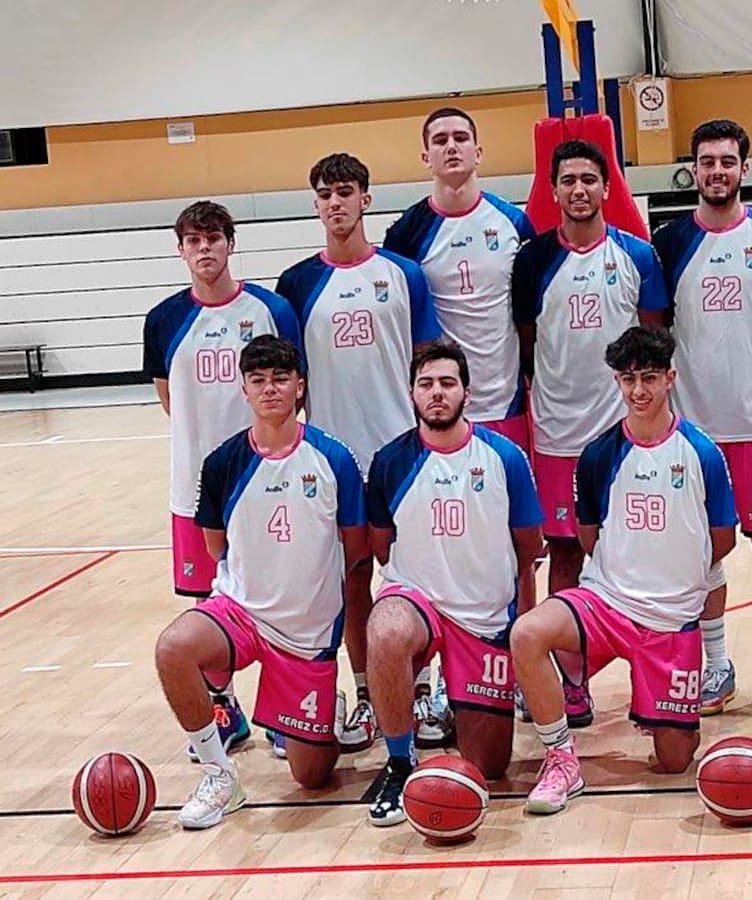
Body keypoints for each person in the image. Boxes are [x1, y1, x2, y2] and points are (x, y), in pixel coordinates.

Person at [510, 326, 737, 815]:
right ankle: (561, 757)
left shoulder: (702, 454)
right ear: (616, 381)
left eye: (649, 378)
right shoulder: (598, 455)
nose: (638, 390)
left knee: (675, 761)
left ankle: (651, 698)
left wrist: (672, 579)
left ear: (670, 378)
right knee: (527, 633)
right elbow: (588, 537)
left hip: (670, 622)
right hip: (606, 604)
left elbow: (723, 541)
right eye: (628, 379)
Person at [154, 335, 367, 829]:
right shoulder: (222, 463)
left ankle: (326, 710)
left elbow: (355, 549)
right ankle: (219, 774)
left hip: (306, 636)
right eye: (258, 380)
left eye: (280, 379)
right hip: (242, 614)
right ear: (244, 390)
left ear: (300, 387)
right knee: (173, 649)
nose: (270, 389)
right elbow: (216, 548)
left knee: (311, 777)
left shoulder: (334, 458)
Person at [275, 153, 441, 756]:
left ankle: (421, 690)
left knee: (416, 577)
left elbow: (427, 361)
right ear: (315, 204)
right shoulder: (296, 284)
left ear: (366, 199)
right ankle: (369, 693)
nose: (335, 203)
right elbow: (290, 377)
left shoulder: (404, 274)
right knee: (350, 582)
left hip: (402, 456)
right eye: (324, 194)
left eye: (345, 191)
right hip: (334, 462)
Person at [383, 108, 539, 737]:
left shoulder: (512, 223)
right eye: (439, 140)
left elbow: (529, 314)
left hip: (506, 410)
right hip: (443, 416)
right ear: (425, 156)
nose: (451, 148)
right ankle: (428, 684)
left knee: (516, 551)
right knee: (437, 548)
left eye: (461, 138)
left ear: (479, 150)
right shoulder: (407, 233)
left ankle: (522, 664)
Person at [512, 139, 669, 724]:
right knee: (566, 552)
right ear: (554, 190)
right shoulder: (533, 260)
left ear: (607, 188)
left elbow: (651, 338)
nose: (578, 190)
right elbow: (527, 338)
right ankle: (571, 681)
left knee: (638, 547)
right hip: (558, 432)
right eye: (568, 180)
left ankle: (651, 673)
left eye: (589, 179)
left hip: (624, 434)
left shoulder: (637, 255)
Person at [143, 200, 302, 762]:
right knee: (207, 599)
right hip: (193, 485)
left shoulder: (272, 309)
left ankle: (285, 709)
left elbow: (293, 387)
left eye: (213, 238)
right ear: (180, 250)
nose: (204, 248)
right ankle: (225, 709)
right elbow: (171, 400)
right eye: (193, 240)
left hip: (267, 480)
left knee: (281, 591)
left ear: (230, 244)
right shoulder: (163, 319)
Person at [362, 339, 543, 826]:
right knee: (386, 629)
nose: (436, 393)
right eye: (426, 384)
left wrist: (520, 636)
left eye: (447, 382)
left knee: (490, 766)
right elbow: (381, 548)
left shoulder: (505, 458)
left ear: (467, 391)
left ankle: (451, 694)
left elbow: (528, 550)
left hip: (483, 618)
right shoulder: (389, 461)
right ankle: (399, 761)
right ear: (411, 394)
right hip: (417, 600)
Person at [652, 119, 752, 717]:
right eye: (707, 161)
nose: (717, 171)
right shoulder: (668, 243)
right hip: (696, 429)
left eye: (727, 161)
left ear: (745, 168)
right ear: (693, 169)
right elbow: (656, 328)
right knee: (702, 555)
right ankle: (715, 663)